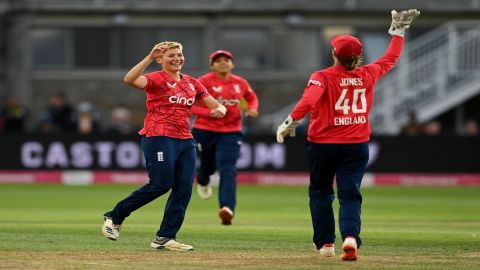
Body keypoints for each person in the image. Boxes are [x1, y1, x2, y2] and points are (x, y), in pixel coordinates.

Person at [276, 10, 420, 261]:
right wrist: (398, 31)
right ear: (358, 56)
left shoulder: (321, 76)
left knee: (320, 193)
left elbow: (308, 100)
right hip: (356, 145)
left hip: (323, 145)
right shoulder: (368, 73)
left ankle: (326, 244)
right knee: (350, 194)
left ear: (334, 55)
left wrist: (290, 121)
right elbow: (391, 58)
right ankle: (351, 237)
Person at [102, 41, 227, 251]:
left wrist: (220, 109)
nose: (177, 58)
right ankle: (114, 216)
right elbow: (129, 79)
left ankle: (165, 236)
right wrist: (149, 57)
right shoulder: (156, 79)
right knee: (160, 184)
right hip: (158, 137)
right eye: (171, 56)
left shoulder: (192, 83)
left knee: (184, 188)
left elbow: (215, 104)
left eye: (179, 54)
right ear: (160, 60)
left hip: (186, 140)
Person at [190, 50, 259, 225]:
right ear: (212, 65)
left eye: (226, 60)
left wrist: (252, 108)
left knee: (228, 168)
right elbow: (189, 105)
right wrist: (209, 112)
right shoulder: (203, 82)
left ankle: (227, 209)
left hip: (231, 131)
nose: (223, 63)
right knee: (207, 166)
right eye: (218, 60)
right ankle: (203, 180)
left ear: (232, 64)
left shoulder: (240, 82)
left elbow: (251, 97)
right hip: (204, 130)